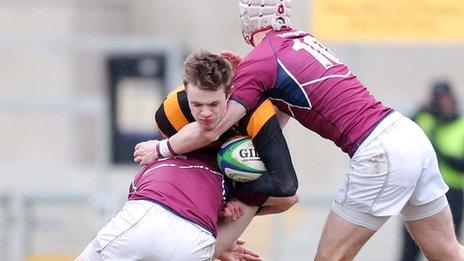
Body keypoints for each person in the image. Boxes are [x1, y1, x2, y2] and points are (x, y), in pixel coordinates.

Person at [136, 1, 464, 260]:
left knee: (330, 257)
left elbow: (211, 129)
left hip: (380, 152)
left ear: (248, 18)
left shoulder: (260, 60)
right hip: (409, 137)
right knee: (447, 252)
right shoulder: (303, 41)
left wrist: (162, 149)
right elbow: (280, 113)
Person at [77, 50, 299, 261]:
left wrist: (161, 149)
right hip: (193, 237)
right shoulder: (171, 118)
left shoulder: (163, 152)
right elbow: (288, 198)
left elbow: (288, 190)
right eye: (197, 104)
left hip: (145, 216)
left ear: (230, 94)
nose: (205, 113)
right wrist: (228, 207)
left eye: (214, 104)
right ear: (186, 94)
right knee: (248, 201)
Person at [400, 80, 464, 261]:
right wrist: (419, 110)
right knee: (409, 249)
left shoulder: (461, 125)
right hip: (418, 191)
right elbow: (400, 136)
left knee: (447, 249)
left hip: (452, 193)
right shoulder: (425, 119)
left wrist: (436, 150)